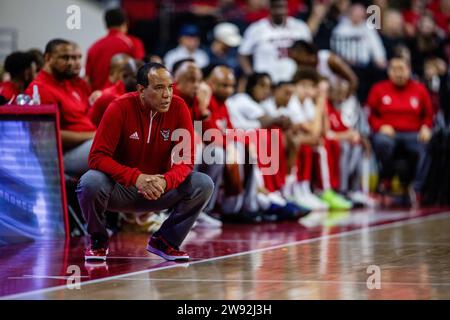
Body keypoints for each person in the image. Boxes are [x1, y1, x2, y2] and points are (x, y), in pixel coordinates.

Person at [77, 62, 214, 261]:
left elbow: (185, 160)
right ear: (141, 90)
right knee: (90, 182)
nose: (167, 94)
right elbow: (97, 157)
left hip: (160, 189)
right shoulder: (119, 107)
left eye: (170, 87)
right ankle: (98, 240)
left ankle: (165, 241)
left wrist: (165, 181)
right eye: (159, 88)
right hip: (121, 188)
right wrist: (137, 177)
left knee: (202, 183)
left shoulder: (179, 107)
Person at [366, 56, 434, 205]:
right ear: (389, 72)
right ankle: (387, 178)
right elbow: (370, 114)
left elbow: (428, 114)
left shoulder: (419, 89)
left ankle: (416, 188)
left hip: (413, 133)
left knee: (426, 146)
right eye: (395, 69)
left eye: (402, 69)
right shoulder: (379, 89)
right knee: (382, 142)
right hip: (388, 132)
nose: (399, 73)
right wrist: (380, 126)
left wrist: (426, 127)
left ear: (409, 70)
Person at [26, 39, 96, 177]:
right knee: (111, 146)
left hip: (85, 146)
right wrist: (93, 135)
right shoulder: (39, 89)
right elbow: (47, 135)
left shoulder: (67, 83)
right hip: (63, 157)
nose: (71, 62)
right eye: (65, 58)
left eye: (73, 57)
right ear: (47, 58)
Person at [173, 60, 224, 228]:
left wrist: (203, 109)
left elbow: (212, 137)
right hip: (167, 149)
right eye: (190, 80)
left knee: (216, 153)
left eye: (198, 81)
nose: (196, 85)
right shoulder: (170, 96)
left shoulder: (194, 100)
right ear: (176, 80)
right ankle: (176, 210)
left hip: (186, 149)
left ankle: (201, 210)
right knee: (192, 144)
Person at [238, 0, 312, 83]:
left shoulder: (300, 27)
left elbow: (310, 54)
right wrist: (252, 76)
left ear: (287, 8)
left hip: (293, 80)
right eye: (276, 7)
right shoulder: (256, 28)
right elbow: (243, 55)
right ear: (269, 9)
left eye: (282, 7)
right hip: (266, 83)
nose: (279, 11)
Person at [86, 8, 145, 91]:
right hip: (122, 96)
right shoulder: (133, 43)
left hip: (98, 98)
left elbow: (88, 79)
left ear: (106, 25)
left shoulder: (93, 47)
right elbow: (140, 72)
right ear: (126, 23)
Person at [89, 54, 138, 127]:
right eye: (123, 71)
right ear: (112, 73)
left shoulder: (131, 90)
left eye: (131, 70)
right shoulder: (106, 95)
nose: (128, 74)